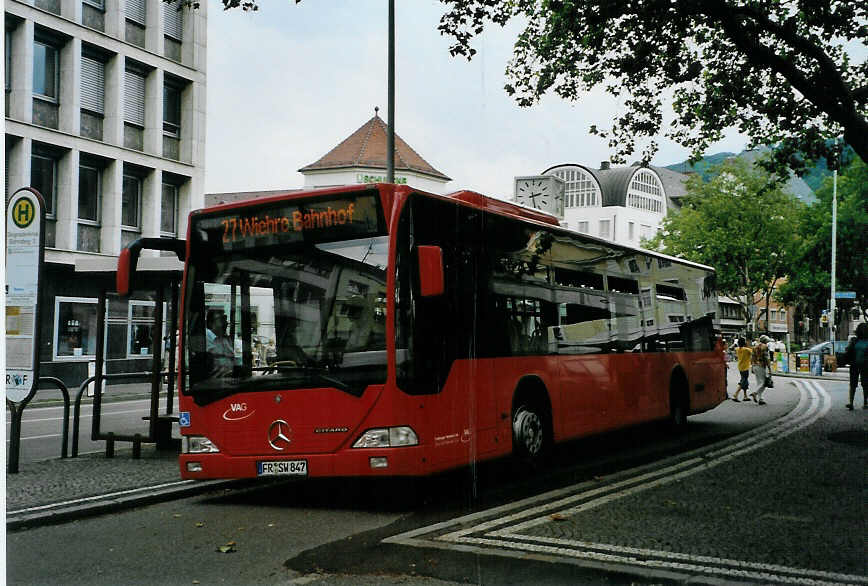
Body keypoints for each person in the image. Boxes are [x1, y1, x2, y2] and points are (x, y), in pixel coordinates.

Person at [843, 322, 868, 410]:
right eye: (862, 329)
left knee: (865, 384)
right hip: (854, 365)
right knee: (853, 384)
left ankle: (865, 402)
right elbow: (848, 350)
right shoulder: (855, 340)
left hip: (865, 366)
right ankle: (851, 403)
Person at [206, 310, 234, 377]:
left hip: (230, 381)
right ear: (210, 323)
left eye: (226, 319)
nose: (226, 323)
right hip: (213, 384)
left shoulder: (226, 339)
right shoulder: (205, 337)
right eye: (222, 319)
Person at [750, 335, 772, 405]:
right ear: (765, 341)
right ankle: (755, 393)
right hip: (761, 366)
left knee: (759, 383)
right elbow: (766, 358)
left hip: (755, 366)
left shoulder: (755, 347)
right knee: (763, 383)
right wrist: (769, 368)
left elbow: (752, 357)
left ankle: (760, 399)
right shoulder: (765, 347)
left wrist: (752, 367)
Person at [732, 337, 752, 402]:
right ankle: (735, 394)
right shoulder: (747, 349)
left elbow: (731, 348)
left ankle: (745, 396)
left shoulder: (737, 349)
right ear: (744, 342)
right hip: (745, 367)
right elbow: (753, 352)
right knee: (743, 381)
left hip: (740, 367)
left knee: (745, 381)